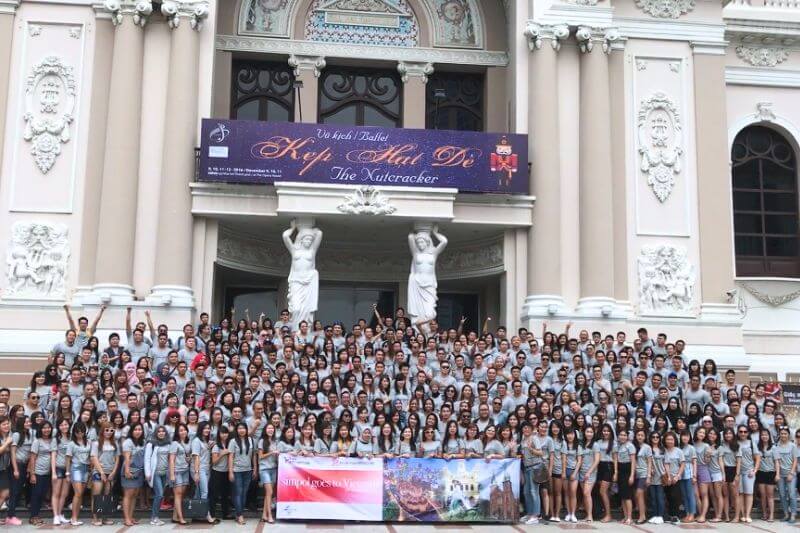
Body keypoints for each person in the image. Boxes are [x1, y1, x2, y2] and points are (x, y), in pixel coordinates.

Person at [90, 422, 119, 526]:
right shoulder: (96, 443)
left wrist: (114, 472)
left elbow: (117, 459)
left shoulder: (114, 443)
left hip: (110, 472)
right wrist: (101, 472)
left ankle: (105, 518)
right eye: (107, 430)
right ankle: (95, 518)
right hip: (99, 472)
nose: (109, 432)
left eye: (111, 430)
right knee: (97, 495)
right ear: (102, 430)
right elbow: (94, 458)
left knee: (107, 495)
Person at [228, 422, 256, 525]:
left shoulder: (251, 440)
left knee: (244, 493)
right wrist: (230, 472)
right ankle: (240, 515)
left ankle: (238, 513)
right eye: (239, 428)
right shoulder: (233, 441)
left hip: (248, 470)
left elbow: (253, 456)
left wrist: (255, 469)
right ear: (237, 430)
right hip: (237, 471)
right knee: (238, 493)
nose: (241, 430)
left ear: (246, 429)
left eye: (243, 428)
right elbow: (230, 456)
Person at [145, 425, 171, 526]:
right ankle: (154, 517)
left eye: (163, 431)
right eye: (159, 431)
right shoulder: (151, 444)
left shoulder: (168, 443)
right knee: (159, 494)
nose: (161, 433)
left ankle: (156, 516)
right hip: (155, 473)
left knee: (160, 495)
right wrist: (148, 472)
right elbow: (147, 459)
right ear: (156, 433)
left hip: (165, 473)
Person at [121, 422, 146, 526]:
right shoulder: (128, 442)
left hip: (139, 471)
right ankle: (126, 518)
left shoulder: (143, 442)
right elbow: (126, 457)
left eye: (139, 429)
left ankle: (131, 517)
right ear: (131, 431)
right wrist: (127, 470)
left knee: (135, 495)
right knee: (128, 495)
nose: (137, 431)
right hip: (129, 470)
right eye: (135, 429)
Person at [257, 423, 278, 523]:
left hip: (273, 469)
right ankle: (270, 515)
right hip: (264, 469)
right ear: (265, 430)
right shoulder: (262, 441)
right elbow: (260, 456)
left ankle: (263, 515)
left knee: (268, 494)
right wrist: (271, 452)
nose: (270, 430)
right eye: (269, 428)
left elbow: (276, 455)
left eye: (272, 428)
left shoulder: (275, 441)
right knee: (269, 492)